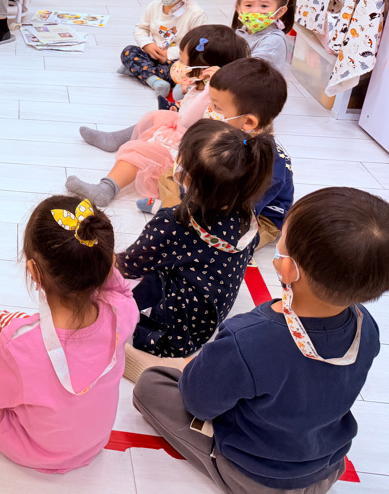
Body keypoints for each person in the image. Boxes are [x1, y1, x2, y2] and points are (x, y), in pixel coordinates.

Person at [133, 187, 389, 493]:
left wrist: (201, 367)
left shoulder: (248, 338)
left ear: (288, 267)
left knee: (151, 384)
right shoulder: (368, 326)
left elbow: (198, 403)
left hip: (257, 477)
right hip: (327, 466)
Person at [0, 195, 138, 474]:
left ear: (33, 271)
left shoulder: (18, 343)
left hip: (30, 447)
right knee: (22, 325)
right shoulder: (123, 311)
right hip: (94, 442)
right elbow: (121, 291)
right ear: (107, 263)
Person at [118, 120, 276, 378]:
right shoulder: (246, 217)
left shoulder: (173, 223)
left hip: (169, 331)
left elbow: (128, 265)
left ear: (188, 177)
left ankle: (138, 355)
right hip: (206, 320)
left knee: (108, 287)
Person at [68, 25, 249, 207]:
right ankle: (115, 139)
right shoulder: (203, 88)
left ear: (204, 70)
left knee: (138, 153)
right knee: (160, 116)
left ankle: (105, 189)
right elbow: (185, 111)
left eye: (183, 61)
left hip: (189, 152)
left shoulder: (213, 97)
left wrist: (208, 90)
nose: (177, 65)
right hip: (186, 133)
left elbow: (188, 120)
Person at [139, 58, 294, 246]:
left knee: (234, 243)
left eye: (217, 107)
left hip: (256, 216)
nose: (210, 110)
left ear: (248, 122)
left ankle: (181, 215)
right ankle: (178, 213)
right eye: (211, 103)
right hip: (218, 191)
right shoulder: (229, 131)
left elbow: (242, 214)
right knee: (169, 176)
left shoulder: (268, 168)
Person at [119, 0, 206, 97]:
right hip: (154, 55)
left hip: (176, 60)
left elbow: (196, 46)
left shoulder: (196, 14)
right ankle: (155, 81)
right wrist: (147, 45)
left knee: (183, 69)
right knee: (128, 51)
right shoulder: (154, 6)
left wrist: (169, 54)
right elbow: (140, 29)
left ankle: (140, 72)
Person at [231, 0, 297, 71]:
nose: (255, 11)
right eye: (248, 5)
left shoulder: (274, 40)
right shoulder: (240, 32)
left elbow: (249, 69)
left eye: (264, 6)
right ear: (238, 8)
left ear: (279, 12)